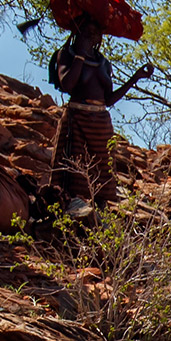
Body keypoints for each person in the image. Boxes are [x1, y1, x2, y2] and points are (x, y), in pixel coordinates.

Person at [50, 23, 151, 210]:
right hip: (77, 117)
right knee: (73, 166)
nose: (92, 35)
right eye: (88, 31)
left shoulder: (103, 62)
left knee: (103, 168)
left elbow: (109, 99)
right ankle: (68, 209)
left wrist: (135, 78)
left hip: (101, 123)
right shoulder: (66, 55)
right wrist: (80, 55)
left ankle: (99, 215)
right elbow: (67, 85)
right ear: (78, 33)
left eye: (96, 32)